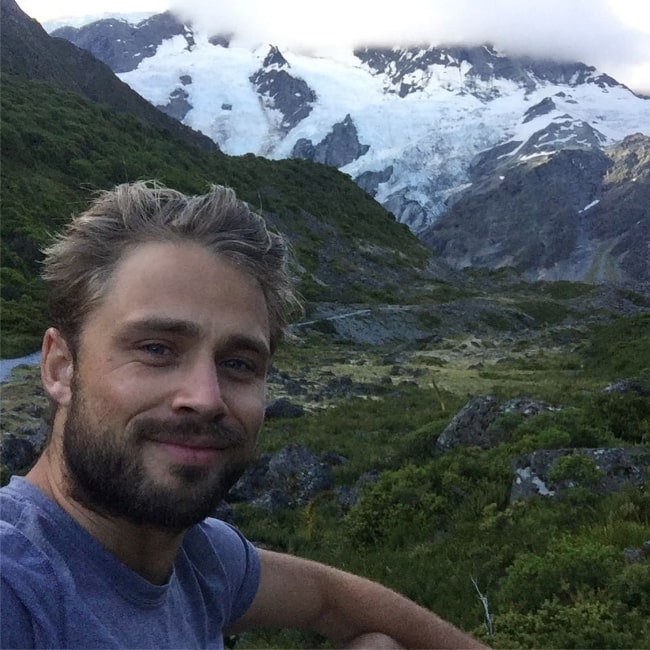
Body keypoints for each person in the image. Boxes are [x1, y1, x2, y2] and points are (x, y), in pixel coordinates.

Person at [0, 181, 486, 649]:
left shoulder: (199, 557)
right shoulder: (16, 584)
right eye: (156, 349)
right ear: (59, 366)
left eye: (238, 363)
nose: (206, 397)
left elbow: (329, 599)